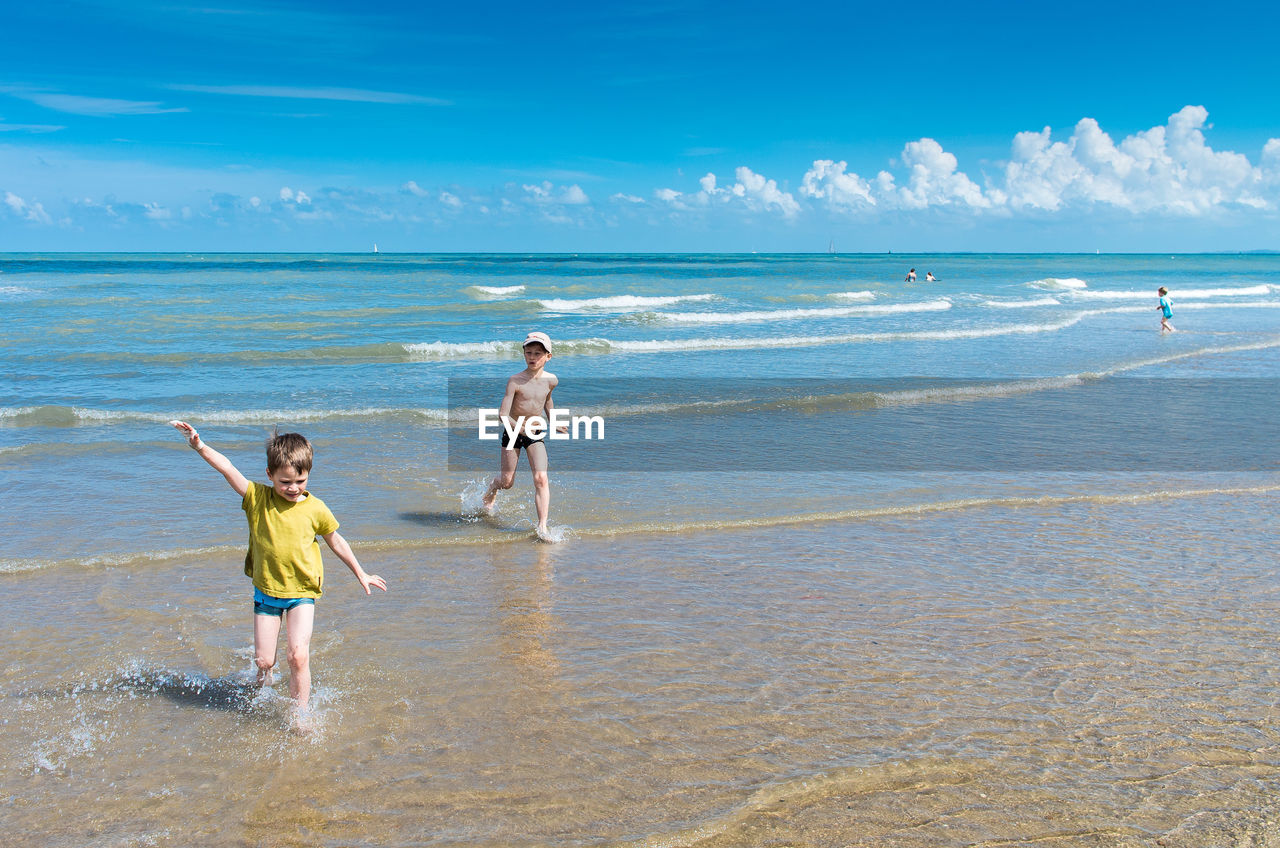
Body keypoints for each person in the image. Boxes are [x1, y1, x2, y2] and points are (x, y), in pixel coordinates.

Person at [169, 420, 386, 718]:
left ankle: (300, 713)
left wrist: (361, 572)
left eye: (300, 481)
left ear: (308, 475)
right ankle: (263, 689)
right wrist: (199, 445)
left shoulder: (316, 508)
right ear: (270, 475)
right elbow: (227, 468)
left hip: (302, 592)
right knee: (264, 661)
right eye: (285, 482)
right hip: (267, 590)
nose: (293, 488)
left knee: (297, 656)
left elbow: (336, 541)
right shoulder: (257, 498)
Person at [482, 331, 567, 539]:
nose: (532, 357)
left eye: (538, 353)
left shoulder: (551, 381)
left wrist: (553, 420)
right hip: (513, 431)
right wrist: (517, 427)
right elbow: (502, 414)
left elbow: (547, 401)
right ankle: (492, 487)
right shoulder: (515, 381)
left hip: (535, 431)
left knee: (541, 478)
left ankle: (542, 527)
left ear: (548, 357)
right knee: (507, 482)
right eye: (528, 352)